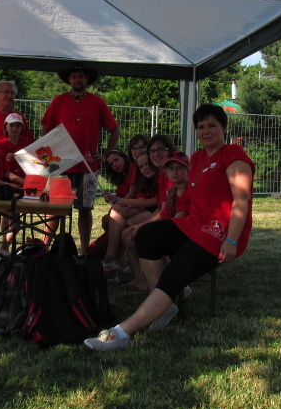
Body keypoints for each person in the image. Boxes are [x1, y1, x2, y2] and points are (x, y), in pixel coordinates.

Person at [84, 104, 255, 351]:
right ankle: (164, 306)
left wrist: (231, 240)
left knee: (173, 276)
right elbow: (187, 198)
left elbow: (241, 199)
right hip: (192, 225)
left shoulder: (232, 154)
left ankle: (122, 333)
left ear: (224, 128)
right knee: (145, 235)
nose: (206, 131)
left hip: (217, 234)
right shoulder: (198, 158)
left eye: (212, 126)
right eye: (201, 127)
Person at [41, 63, 120, 252]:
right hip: (61, 166)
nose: (77, 80)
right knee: (55, 209)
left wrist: (106, 155)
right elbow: (46, 128)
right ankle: (44, 248)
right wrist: (47, 155)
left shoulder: (98, 102)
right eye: (74, 76)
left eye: (81, 76)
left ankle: (84, 252)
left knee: (85, 209)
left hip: (87, 166)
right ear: (69, 80)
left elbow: (114, 130)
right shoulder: (58, 101)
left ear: (87, 79)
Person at [100, 135, 176, 275]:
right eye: (133, 148)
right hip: (154, 212)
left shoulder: (164, 173)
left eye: (140, 148)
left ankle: (111, 260)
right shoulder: (142, 175)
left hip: (162, 216)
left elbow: (158, 204)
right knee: (121, 223)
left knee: (119, 217)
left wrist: (123, 203)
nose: (136, 151)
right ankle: (124, 268)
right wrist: (117, 200)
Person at [121, 151, 191, 291]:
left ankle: (168, 284)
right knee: (136, 234)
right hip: (175, 230)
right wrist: (141, 225)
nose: (175, 172)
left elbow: (177, 220)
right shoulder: (173, 191)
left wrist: (143, 228)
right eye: (171, 169)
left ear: (188, 170)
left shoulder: (187, 191)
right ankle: (163, 282)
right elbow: (165, 213)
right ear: (166, 171)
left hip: (186, 234)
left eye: (179, 168)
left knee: (148, 239)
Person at [0, 112, 31, 186]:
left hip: (25, 179)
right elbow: (1, 169)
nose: (14, 128)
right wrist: (5, 161)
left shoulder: (26, 142)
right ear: (6, 127)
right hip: (8, 183)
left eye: (17, 126)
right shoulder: (0, 145)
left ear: (22, 128)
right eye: (11, 125)